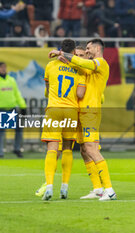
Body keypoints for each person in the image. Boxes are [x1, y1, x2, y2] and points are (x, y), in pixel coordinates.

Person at [48, 38, 117, 201]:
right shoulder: (87, 69)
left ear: (96, 48)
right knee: (84, 151)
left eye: (87, 48)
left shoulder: (101, 63)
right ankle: (98, 189)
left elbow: (84, 67)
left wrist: (60, 52)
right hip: (79, 113)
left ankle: (110, 190)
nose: (86, 51)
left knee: (92, 149)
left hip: (90, 113)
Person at [40, 39, 86, 201]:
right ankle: (65, 187)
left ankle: (49, 186)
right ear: (74, 52)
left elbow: (47, 89)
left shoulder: (50, 66)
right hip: (71, 111)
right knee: (67, 148)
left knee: (52, 148)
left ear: (61, 50)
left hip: (53, 109)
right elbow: (80, 94)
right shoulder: (79, 70)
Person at [0, 62, 27, 158]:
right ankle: (0, 152)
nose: (4, 69)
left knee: (19, 129)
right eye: (2, 67)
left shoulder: (11, 80)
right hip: (0, 110)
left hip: (12, 110)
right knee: (1, 130)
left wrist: (23, 106)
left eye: (5, 67)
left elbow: (17, 94)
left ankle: (17, 149)